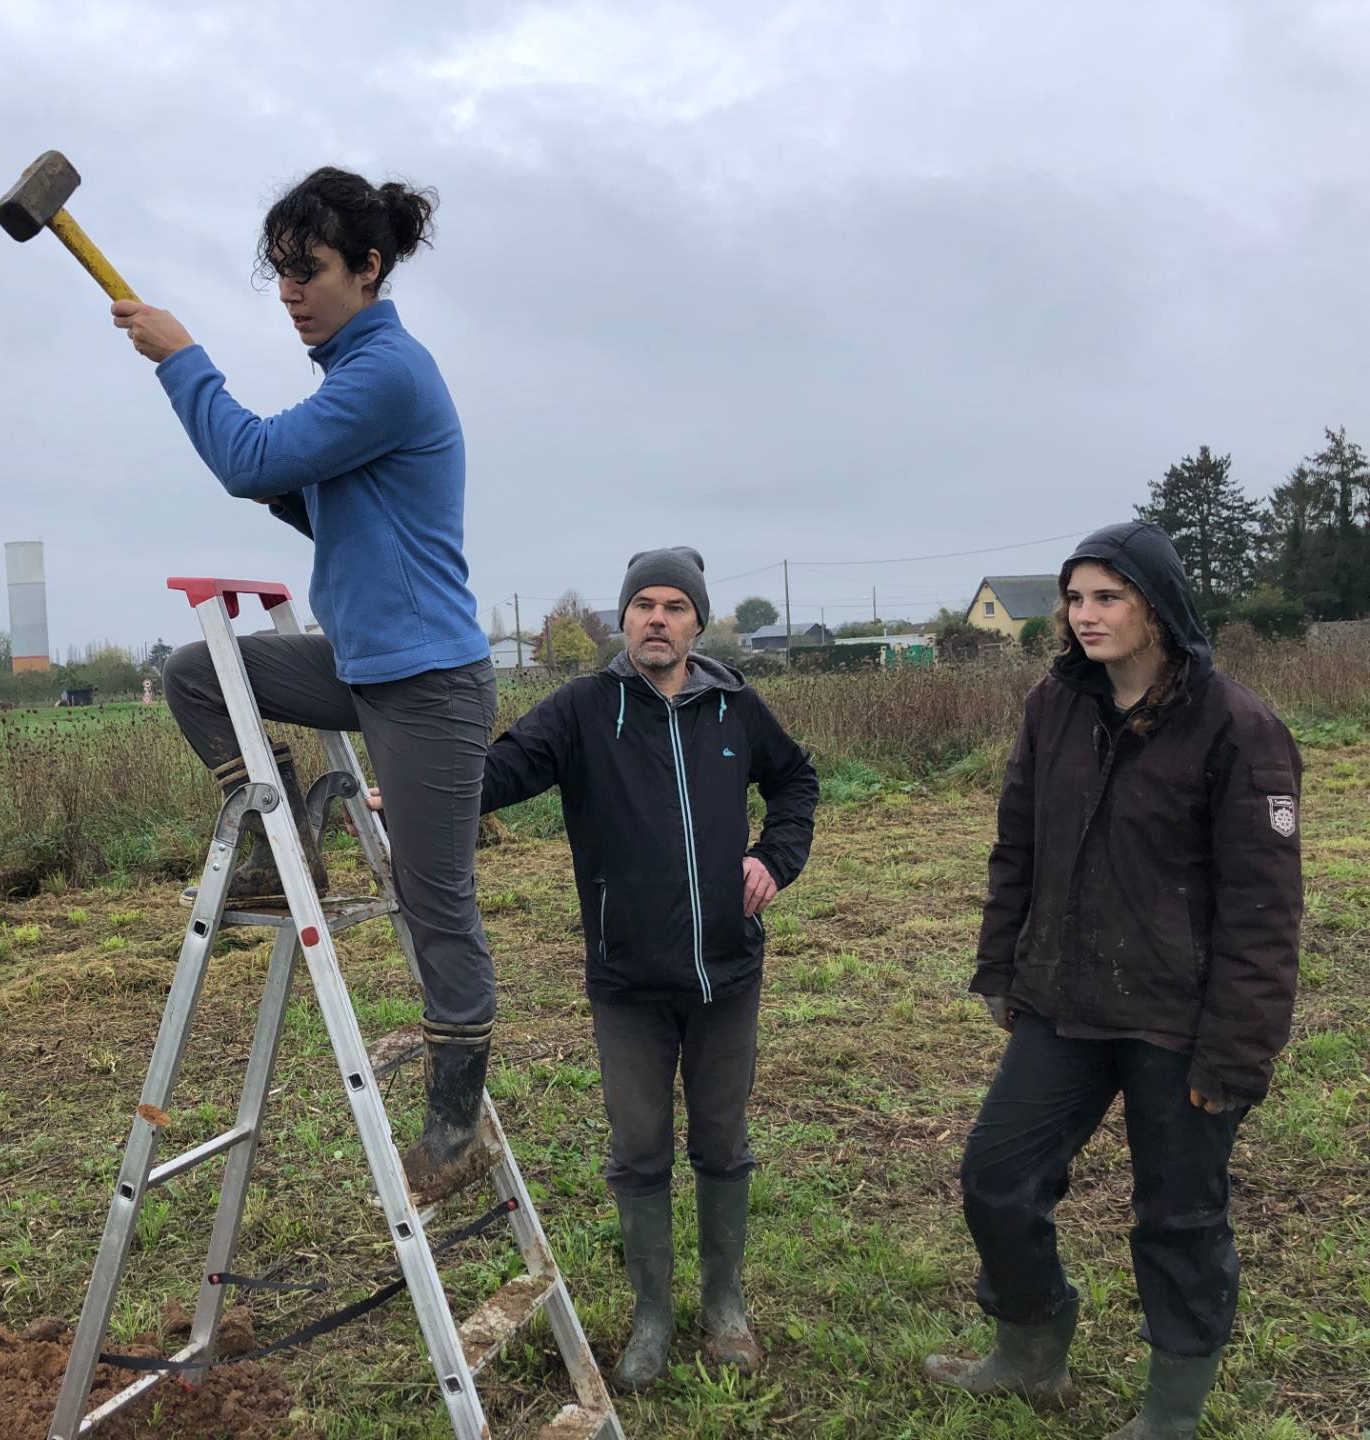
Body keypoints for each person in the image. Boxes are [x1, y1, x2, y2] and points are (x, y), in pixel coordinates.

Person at [110, 167, 498, 1196]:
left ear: (367, 268)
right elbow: (317, 501)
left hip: (430, 683)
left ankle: (456, 1130)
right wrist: (294, 487)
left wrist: (181, 359)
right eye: (279, 273)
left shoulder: (387, 373)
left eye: (309, 271)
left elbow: (249, 459)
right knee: (199, 673)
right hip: (363, 666)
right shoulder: (351, 378)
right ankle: (274, 848)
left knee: (436, 900)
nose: (290, 293)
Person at [374, 548, 818, 1390]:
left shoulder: (735, 707)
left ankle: (725, 1307)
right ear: (624, 619)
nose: (658, 619)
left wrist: (774, 858)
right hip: (628, 982)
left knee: (723, 1143)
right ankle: (652, 1316)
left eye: (675, 607)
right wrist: (420, 795)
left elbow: (796, 781)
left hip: (727, 973)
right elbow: (502, 769)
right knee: (638, 1150)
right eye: (644, 605)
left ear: (697, 622)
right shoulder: (583, 709)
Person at [923, 522, 1303, 1438]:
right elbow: (1017, 846)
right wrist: (1001, 965)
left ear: (1158, 608)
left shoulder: (1239, 729)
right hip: (1066, 1000)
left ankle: (1170, 1415)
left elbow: (1264, 911)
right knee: (996, 1179)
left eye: (1108, 596)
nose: (1085, 615)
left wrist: (1237, 1051)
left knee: (1179, 1219)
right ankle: (1030, 1349)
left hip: (1182, 1021)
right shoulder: (1054, 707)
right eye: (1075, 597)